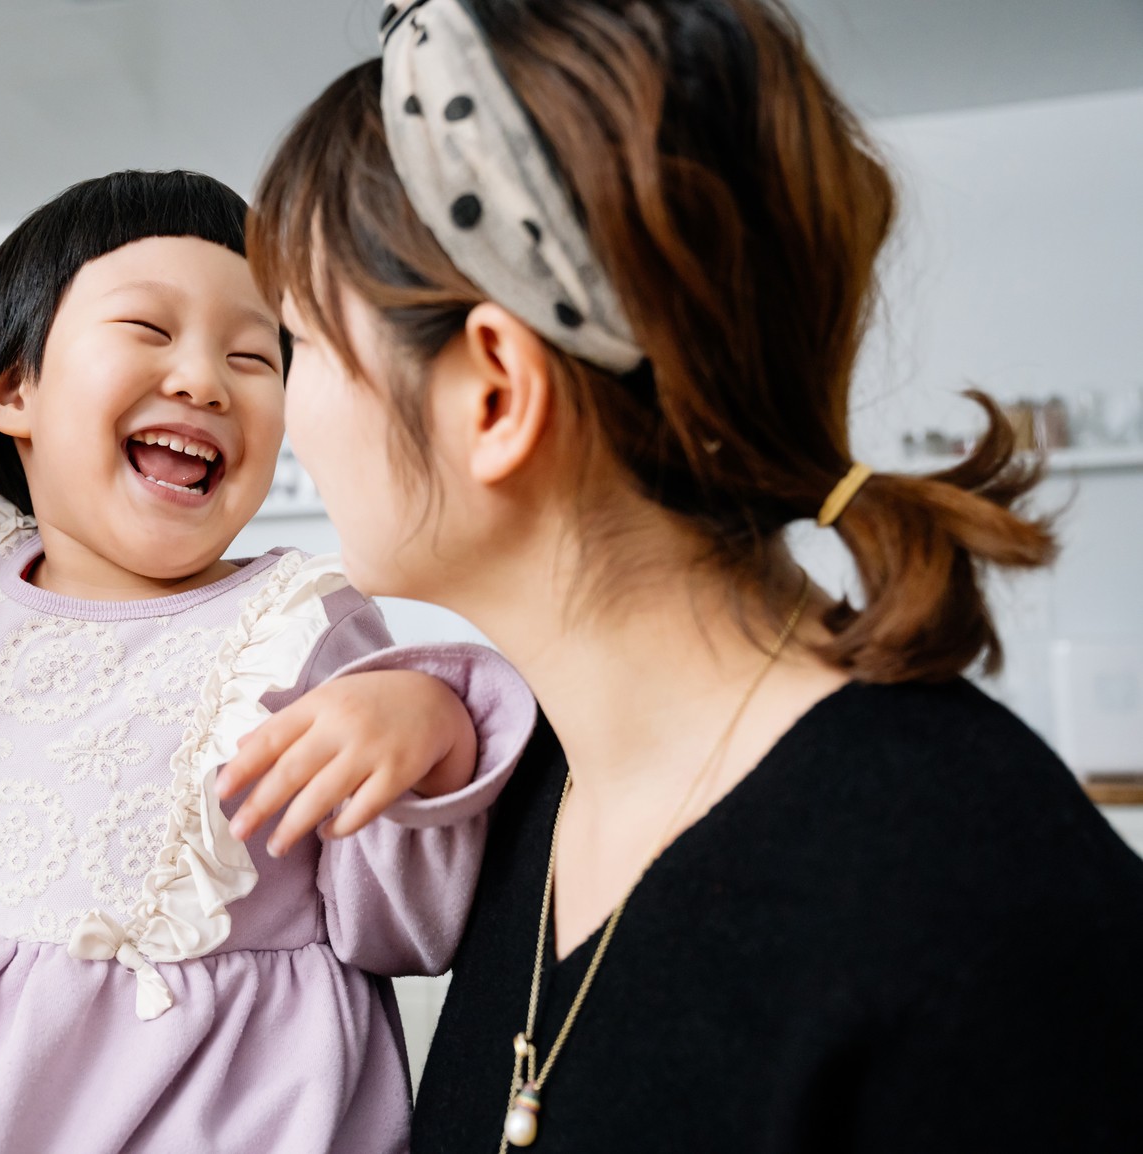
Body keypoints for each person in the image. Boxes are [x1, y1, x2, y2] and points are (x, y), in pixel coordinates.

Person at [236, 1, 1143, 1150]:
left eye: (299, 342)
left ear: (497, 396)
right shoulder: (543, 791)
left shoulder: (975, 906)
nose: (282, 403)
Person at [0, 169, 534, 1154]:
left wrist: (431, 724)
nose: (205, 380)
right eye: (150, 330)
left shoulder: (297, 626)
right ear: (14, 389)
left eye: (255, 354)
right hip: (8, 1116)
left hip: (254, 1116)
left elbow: (404, 931)